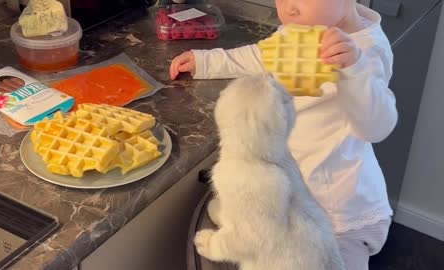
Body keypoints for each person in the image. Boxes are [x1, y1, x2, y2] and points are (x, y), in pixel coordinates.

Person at [169, 1, 397, 269]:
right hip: (293, 200)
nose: (289, 8)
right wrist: (206, 61)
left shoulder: (367, 49)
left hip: (338, 213)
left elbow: (377, 126)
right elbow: (260, 57)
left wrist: (354, 70)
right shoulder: (299, 28)